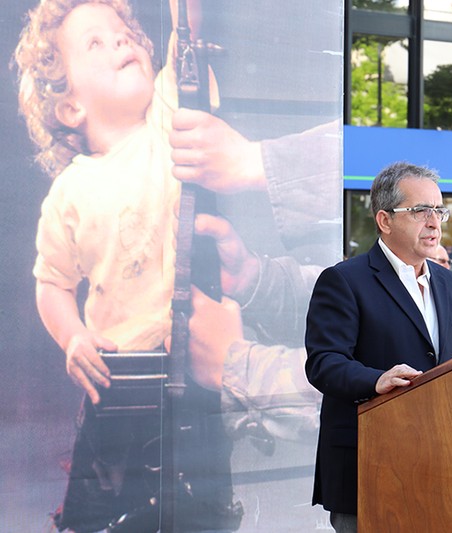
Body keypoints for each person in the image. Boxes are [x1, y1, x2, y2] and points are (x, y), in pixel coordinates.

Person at [15, 1, 240, 530]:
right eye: (95, 42)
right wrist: (73, 337)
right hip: (117, 377)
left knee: (197, 511)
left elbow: (188, 29)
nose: (120, 41)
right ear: (70, 106)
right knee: (99, 516)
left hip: (189, 361)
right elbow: (51, 284)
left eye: (125, 33)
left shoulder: (165, 120)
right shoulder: (69, 191)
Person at [304, 162, 452, 531]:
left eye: (439, 211)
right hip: (370, 468)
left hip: (445, 469)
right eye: (421, 211)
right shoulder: (344, 281)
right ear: (384, 220)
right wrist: (376, 380)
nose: (434, 223)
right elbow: (324, 362)